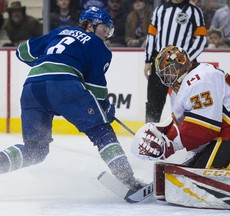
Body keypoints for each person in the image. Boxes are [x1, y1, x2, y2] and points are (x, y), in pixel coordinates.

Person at [0, 6, 144, 192]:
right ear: (90, 25)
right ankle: (128, 179)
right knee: (101, 130)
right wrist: (106, 109)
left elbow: (22, 51)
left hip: (31, 88)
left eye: (110, 30)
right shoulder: (98, 45)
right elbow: (96, 89)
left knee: (35, 150)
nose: (107, 34)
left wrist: (47, 60)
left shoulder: (60, 31)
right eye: (105, 28)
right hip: (62, 86)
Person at [132, 45, 230, 211]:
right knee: (191, 169)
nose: (169, 78)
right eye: (165, 75)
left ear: (181, 64)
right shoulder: (194, 79)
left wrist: (170, 145)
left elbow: (205, 129)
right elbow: (180, 123)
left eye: (170, 71)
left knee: (200, 176)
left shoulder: (199, 79)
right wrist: (162, 134)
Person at [144, 0, 207, 123]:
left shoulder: (194, 12)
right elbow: (151, 35)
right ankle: (150, 130)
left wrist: (186, 60)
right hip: (159, 62)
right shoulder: (160, 9)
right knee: (154, 100)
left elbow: (201, 39)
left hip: (184, 66)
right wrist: (148, 60)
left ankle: (185, 132)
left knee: (185, 99)